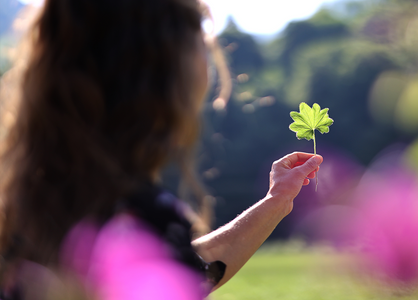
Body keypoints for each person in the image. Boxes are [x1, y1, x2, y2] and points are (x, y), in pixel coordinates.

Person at [0, 0, 323, 298]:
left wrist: (276, 202)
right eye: (201, 43)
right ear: (162, 72)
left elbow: (180, 268)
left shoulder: (30, 197)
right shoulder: (135, 213)